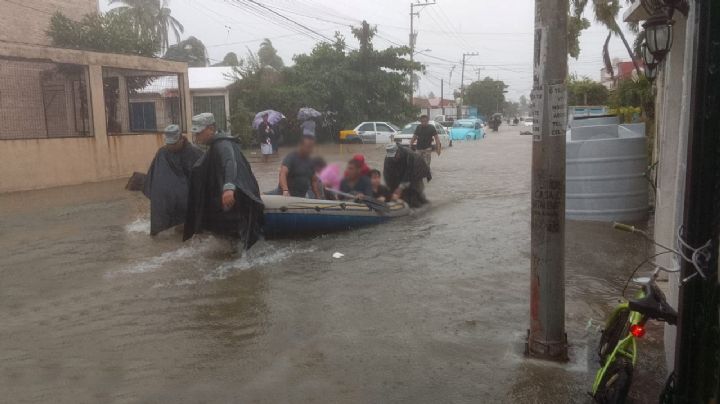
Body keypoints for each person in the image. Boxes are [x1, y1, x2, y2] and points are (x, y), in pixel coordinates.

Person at [184, 113, 264, 249]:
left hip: (237, 197)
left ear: (211, 128)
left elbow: (230, 162)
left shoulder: (223, 144)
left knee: (241, 241)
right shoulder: (215, 146)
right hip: (228, 199)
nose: (197, 137)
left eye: (199, 132)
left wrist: (228, 188)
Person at [143, 125, 204, 236]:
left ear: (181, 138)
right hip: (170, 201)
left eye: (174, 144)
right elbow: (154, 176)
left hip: (188, 200)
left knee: (191, 231)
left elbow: (203, 178)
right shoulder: (162, 153)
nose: (171, 147)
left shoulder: (194, 152)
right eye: (169, 144)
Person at [384, 143, 431, 208]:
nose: (393, 158)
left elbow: (409, 173)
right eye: (392, 157)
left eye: (395, 155)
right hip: (403, 169)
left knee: (414, 190)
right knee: (396, 189)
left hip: (417, 168)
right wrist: (391, 190)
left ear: (398, 152)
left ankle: (423, 205)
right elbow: (387, 176)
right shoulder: (388, 159)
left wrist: (400, 187)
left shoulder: (409, 155)